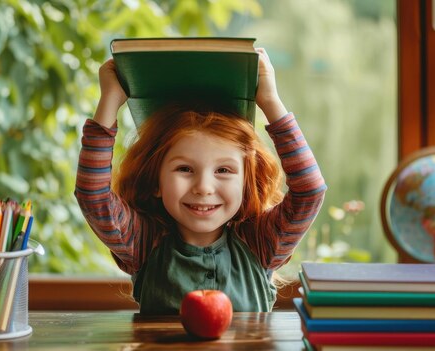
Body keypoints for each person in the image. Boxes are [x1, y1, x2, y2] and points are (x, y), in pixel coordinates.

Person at [75, 48, 326, 314]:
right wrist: (109, 100)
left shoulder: (261, 244)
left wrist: (270, 100)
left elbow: (309, 193)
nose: (203, 187)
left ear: (245, 182)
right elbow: (94, 196)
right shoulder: (144, 244)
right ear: (156, 182)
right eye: (184, 168)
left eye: (224, 171)